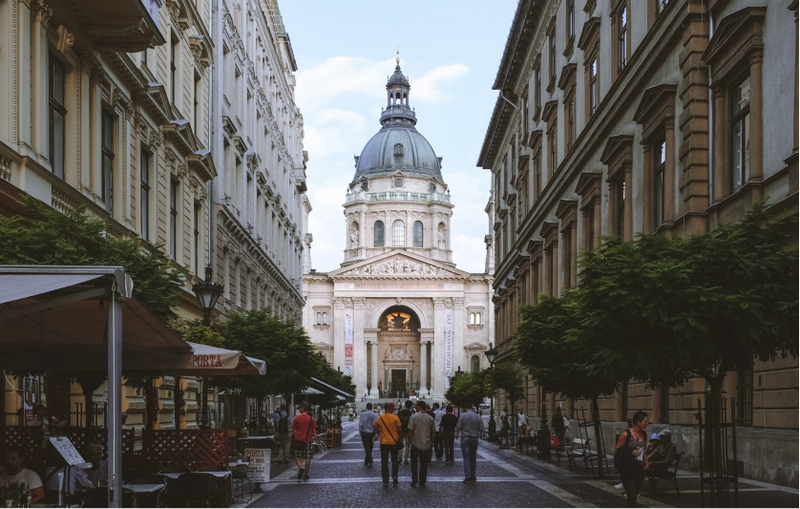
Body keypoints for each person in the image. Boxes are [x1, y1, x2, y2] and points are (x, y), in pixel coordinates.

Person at [615, 411, 649, 507]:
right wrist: (630, 451)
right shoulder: (626, 434)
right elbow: (618, 450)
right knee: (631, 494)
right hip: (628, 468)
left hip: (640, 468)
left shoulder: (644, 434)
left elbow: (644, 449)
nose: (647, 423)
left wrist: (646, 461)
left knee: (635, 494)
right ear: (638, 422)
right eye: (645, 421)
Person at [373, 402, 402, 487]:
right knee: (395, 461)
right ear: (392, 408)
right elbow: (400, 430)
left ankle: (385, 480)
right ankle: (395, 477)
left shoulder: (380, 418)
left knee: (384, 462)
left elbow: (375, 429)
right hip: (393, 442)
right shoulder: (395, 417)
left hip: (384, 442)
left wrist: (381, 432)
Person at [407, 401, 435, 487]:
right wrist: (432, 442)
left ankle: (415, 478)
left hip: (415, 443)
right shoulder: (430, 418)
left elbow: (410, 430)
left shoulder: (414, 417)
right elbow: (433, 432)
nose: (415, 407)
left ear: (419, 407)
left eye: (416, 406)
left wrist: (409, 440)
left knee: (414, 462)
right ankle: (422, 480)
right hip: (426, 443)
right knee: (423, 463)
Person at [455, 405, 485, 484]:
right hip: (474, 438)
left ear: (466, 408)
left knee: (466, 458)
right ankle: (473, 475)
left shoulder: (463, 415)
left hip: (465, 438)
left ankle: (467, 476)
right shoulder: (477, 416)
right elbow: (481, 428)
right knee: (473, 457)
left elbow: (458, 426)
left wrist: (457, 433)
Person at [291, 402, 317, 481]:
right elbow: (314, 430)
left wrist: (296, 438)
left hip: (299, 441)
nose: (299, 409)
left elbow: (294, 430)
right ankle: (306, 474)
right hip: (308, 440)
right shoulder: (311, 419)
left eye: (300, 408)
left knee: (297, 456)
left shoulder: (297, 419)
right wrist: (316, 438)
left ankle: (301, 467)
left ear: (302, 408)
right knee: (308, 457)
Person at [358, 403, 378, 467]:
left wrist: (360, 431)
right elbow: (376, 424)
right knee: (370, 447)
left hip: (365, 433)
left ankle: (369, 460)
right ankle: (367, 461)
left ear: (366, 407)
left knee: (366, 447)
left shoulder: (363, 414)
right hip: (372, 433)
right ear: (372, 407)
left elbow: (361, 424)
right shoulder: (375, 415)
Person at [397, 400, 413, 465]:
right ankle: (406, 459)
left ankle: (399, 457)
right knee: (408, 445)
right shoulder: (411, 412)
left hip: (401, 430)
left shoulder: (400, 412)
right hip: (408, 429)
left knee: (400, 444)